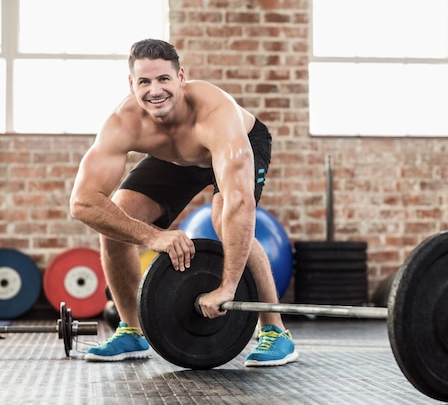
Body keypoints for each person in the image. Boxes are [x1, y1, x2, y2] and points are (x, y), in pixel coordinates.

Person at [69, 39, 298, 367]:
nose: (155, 90)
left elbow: (240, 204)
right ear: (132, 84)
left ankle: (276, 332)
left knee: (223, 219)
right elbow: (83, 203)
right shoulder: (123, 123)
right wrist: (152, 236)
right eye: (144, 82)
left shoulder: (215, 114)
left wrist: (228, 286)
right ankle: (132, 329)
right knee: (118, 220)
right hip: (175, 161)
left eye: (163, 79)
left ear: (181, 78)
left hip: (237, 144)